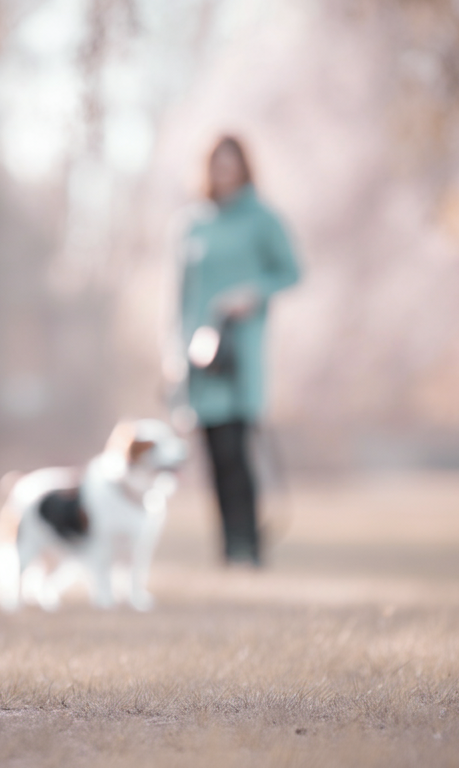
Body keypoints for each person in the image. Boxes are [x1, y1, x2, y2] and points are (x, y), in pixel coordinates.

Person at [178, 136, 300, 567]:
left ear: (244, 167)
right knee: (213, 455)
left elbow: (291, 272)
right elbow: (179, 294)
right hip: (199, 355)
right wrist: (175, 352)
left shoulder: (262, 218)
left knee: (238, 453)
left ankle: (249, 546)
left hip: (241, 352)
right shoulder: (193, 222)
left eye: (230, 164)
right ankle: (228, 550)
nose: (223, 172)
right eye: (216, 165)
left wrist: (254, 293)